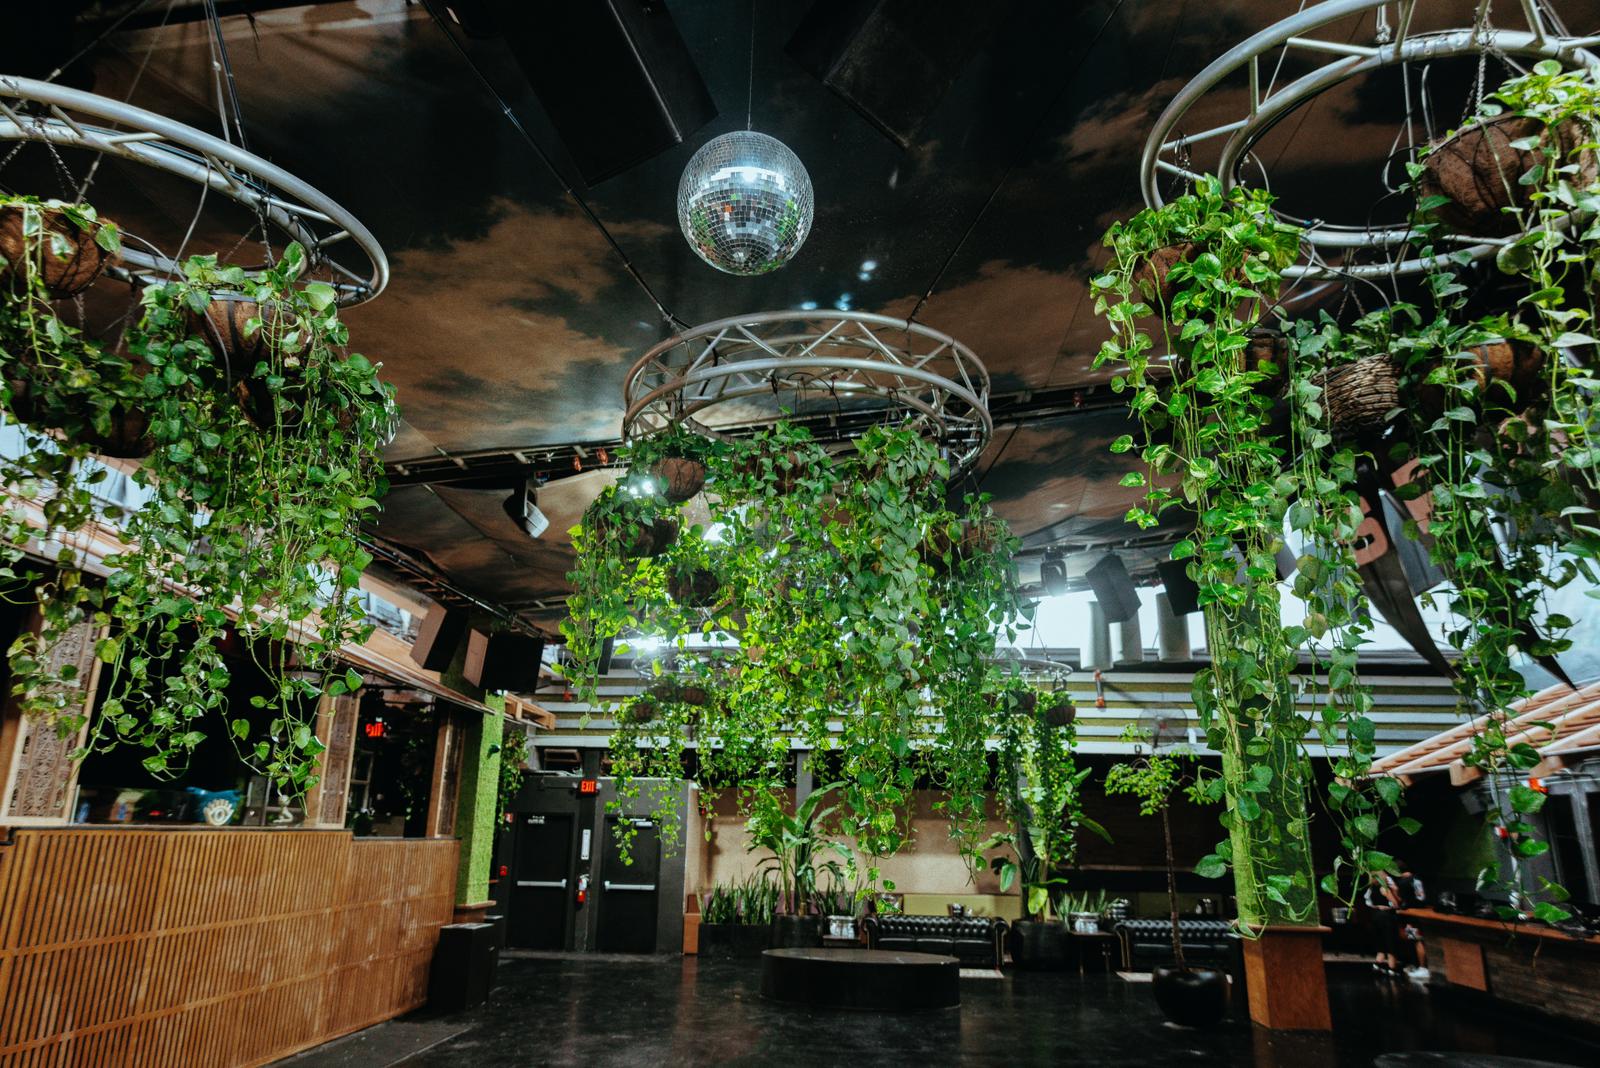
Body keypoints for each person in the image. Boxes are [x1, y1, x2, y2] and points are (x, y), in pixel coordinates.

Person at [1363, 869, 1403, 977]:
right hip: (1387, 917)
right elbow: (1396, 904)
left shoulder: (1371, 889)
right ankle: (1392, 967)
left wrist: (1377, 906)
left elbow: (1368, 902)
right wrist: (1395, 891)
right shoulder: (1384, 889)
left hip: (1375, 916)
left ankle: (1378, 964)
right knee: (1390, 940)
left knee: (1380, 941)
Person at [1394, 861, 1429, 981]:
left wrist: (1395, 890)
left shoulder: (1403, 882)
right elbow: (1421, 897)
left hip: (1411, 914)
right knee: (1415, 939)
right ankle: (1417, 966)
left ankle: (1423, 968)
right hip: (1420, 912)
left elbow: (1400, 900)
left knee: (1416, 940)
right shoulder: (1416, 878)